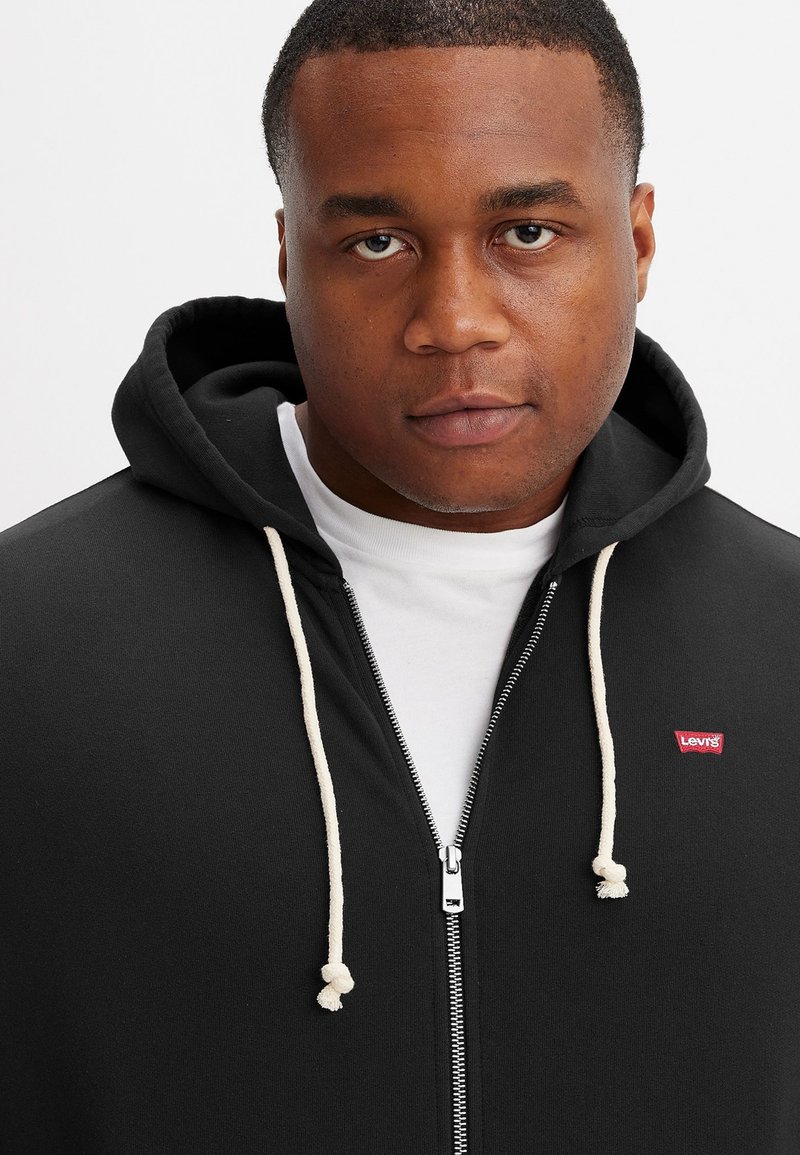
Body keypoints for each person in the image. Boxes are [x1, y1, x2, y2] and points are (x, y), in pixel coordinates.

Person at [1, 0, 799, 1150]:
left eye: (526, 231)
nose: (453, 322)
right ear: (289, 256)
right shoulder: (30, 647)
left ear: (636, 243)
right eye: (376, 242)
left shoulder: (780, 642)